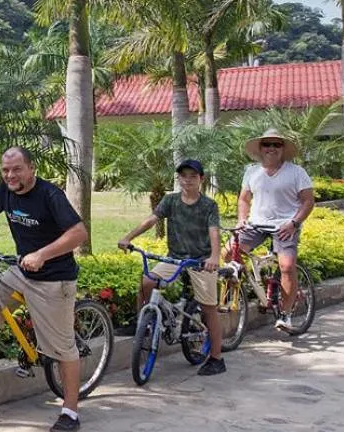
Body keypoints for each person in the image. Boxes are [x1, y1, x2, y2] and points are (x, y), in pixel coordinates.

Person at [0, 146, 89, 432]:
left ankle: (70, 411)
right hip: (21, 271)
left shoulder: (50, 195)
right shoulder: (6, 191)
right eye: (5, 170)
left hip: (54, 279)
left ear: (31, 168)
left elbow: (79, 233)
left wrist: (42, 254)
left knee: (62, 348)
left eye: (17, 170)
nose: (10, 175)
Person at [117, 159, 226, 375]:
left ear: (201, 179)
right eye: (183, 176)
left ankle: (216, 358)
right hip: (174, 257)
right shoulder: (171, 200)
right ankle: (144, 322)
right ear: (179, 179)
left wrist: (214, 256)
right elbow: (151, 220)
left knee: (208, 309)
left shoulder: (208, 206)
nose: (188, 180)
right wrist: (128, 237)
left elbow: (214, 231)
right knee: (147, 281)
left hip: (200, 261)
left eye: (193, 176)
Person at [236, 128, 315, 333]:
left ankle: (286, 315)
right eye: (267, 144)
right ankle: (257, 288)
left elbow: (308, 201)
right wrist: (242, 219)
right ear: (260, 148)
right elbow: (244, 199)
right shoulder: (251, 171)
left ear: (283, 148)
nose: (271, 148)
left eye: (276, 144)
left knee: (287, 267)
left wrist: (294, 223)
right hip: (255, 224)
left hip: (285, 225)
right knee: (230, 252)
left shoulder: (297, 172)